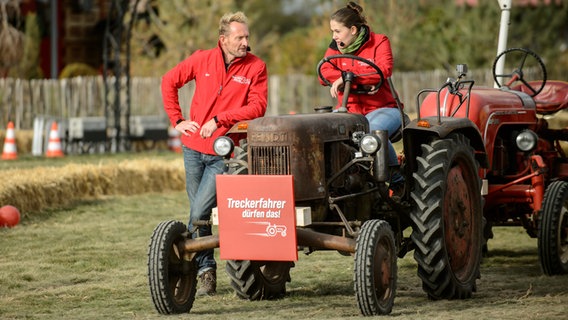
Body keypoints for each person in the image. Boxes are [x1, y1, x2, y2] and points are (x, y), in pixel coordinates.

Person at [161, 11, 268, 296]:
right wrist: (178, 120)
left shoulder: (255, 67)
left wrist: (221, 119)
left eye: (247, 36)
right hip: (193, 148)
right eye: (239, 37)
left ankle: (193, 268)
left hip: (225, 151)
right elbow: (168, 82)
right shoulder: (202, 59)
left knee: (198, 211)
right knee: (200, 216)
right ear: (223, 40)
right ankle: (207, 271)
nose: (246, 42)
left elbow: (258, 108)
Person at [319, 1, 404, 194]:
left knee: (371, 130)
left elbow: (383, 70)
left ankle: (397, 180)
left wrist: (348, 76)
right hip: (349, 111)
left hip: (384, 108)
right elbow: (324, 71)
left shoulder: (380, 41)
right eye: (332, 31)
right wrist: (346, 77)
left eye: (337, 31)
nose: (334, 36)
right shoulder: (336, 47)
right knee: (320, 130)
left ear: (353, 30)